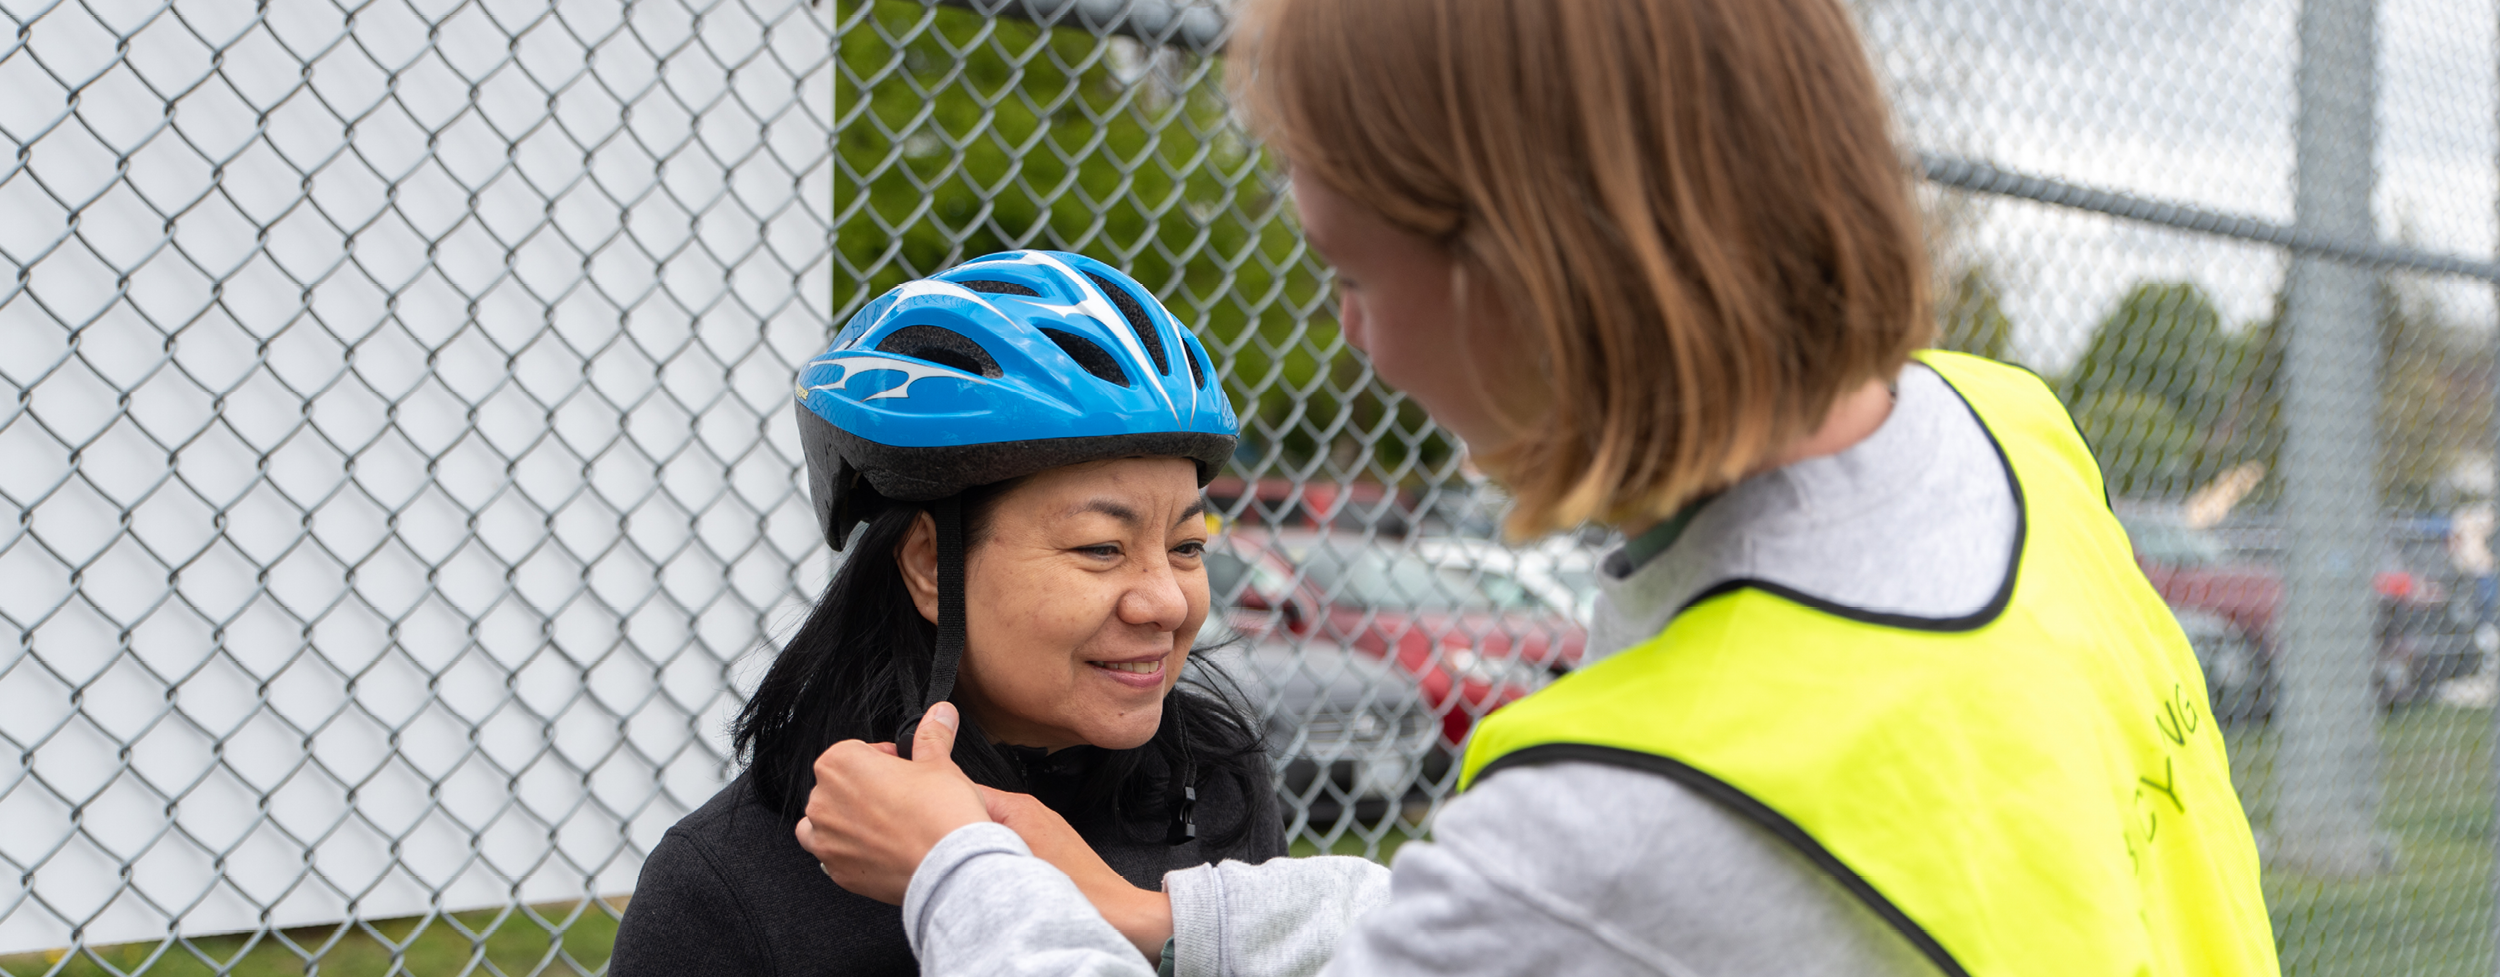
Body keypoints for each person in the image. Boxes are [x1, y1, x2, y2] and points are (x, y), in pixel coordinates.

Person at [799, 0, 2283, 974]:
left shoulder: (1636, 806)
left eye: (1353, 269)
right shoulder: (2004, 428)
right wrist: (1152, 912)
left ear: (1533, 273)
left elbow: (1574, 900)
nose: (1349, 337)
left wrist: (966, 871)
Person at [609, 251, 1285, 977]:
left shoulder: (1216, 787)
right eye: (1101, 547)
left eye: (1187, 544)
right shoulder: (726, 889)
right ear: (930, 564)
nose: (1168, 599)